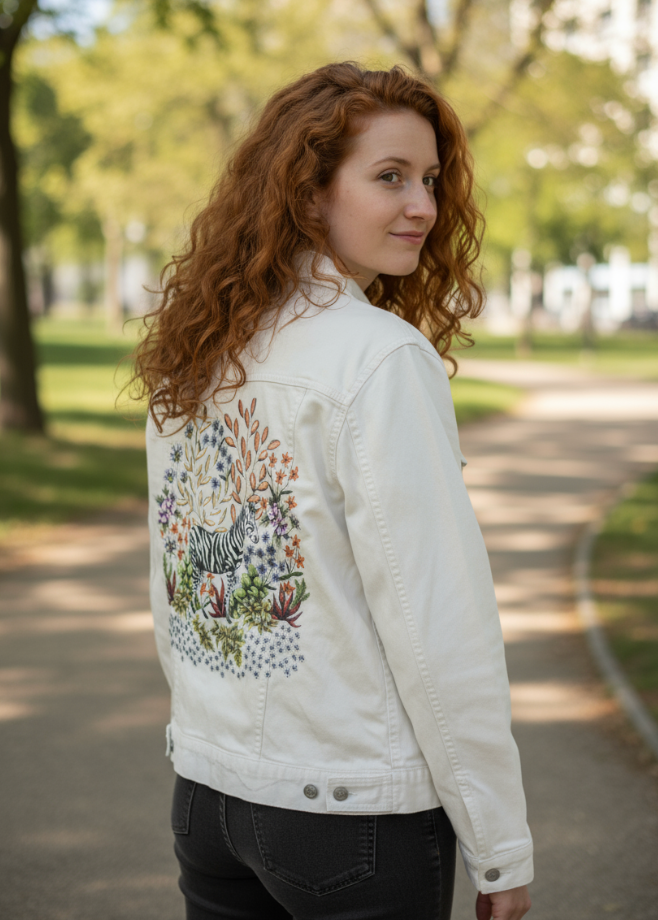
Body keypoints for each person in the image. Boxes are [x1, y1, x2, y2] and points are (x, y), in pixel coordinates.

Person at [132, 62, 533, 920]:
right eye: (389, 177)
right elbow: (436, 625)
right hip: (351, 818)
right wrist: (500, 846)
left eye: (429, 180)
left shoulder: (202, 348)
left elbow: (177, 596)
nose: (423, 206)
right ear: (307, 194)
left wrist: (210, 744)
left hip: (208, 800)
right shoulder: (377, 356)